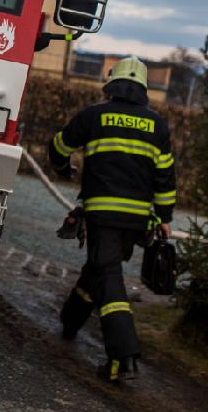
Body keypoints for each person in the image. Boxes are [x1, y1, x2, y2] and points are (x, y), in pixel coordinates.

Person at [49, 56, 177, 382]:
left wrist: (64, 170)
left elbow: (59, 146)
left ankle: (123, 356)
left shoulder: (94, 115)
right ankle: (70, 321)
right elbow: (165, 177)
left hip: (102, 215)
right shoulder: (158, 126)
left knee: (108, 276)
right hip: (136, 221)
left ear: (112, 84)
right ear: (144, 89)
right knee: (99, 268)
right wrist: (164, 217)